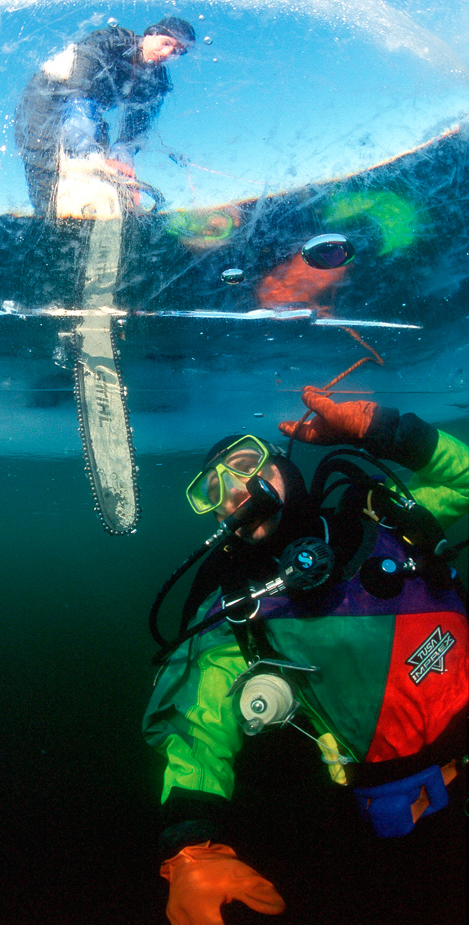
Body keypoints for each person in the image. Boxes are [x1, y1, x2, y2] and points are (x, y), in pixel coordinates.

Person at [143, 387, 468, 925]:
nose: (233, 492)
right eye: (214, 490)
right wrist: (191, 848)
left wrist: (379, 427)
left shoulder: (387, 521)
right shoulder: (238, 614)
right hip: (397, 822)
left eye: (244, 465)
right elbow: (197, 728)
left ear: (282, 467)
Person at [14, 17, 195, 214]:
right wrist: (89, 155)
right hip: (45, 100)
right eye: (166, 43)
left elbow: (135, 131)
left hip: (89, 110)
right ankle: (49, 217)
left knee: (106, 173)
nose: (168, 53)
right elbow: (79, 93)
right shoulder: (111, 42)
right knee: (51, 168)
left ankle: (103, 210)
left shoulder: (157, 80)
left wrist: (122, 164)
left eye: (177, 51)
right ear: (150, 34)